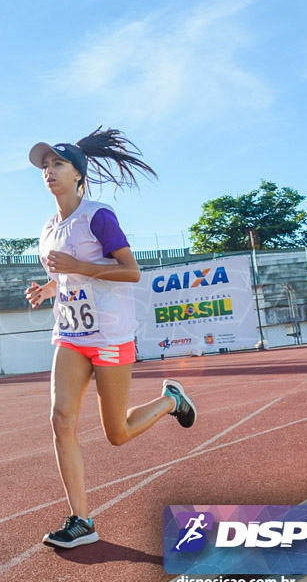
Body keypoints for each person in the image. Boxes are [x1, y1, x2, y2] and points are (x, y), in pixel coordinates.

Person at [24, 127, 198, 549]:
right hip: (69, 334)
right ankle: (81, 520)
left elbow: (131, 271)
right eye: (45, 165)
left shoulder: (98, 216)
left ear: (79, 175)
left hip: (110, 334)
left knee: (116, 433)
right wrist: (47, 288)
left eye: (57, 164)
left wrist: (78, 267)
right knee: (60, 420)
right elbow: (63, 273)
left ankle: (171, 400)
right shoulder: (48, 227)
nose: (49, 171)